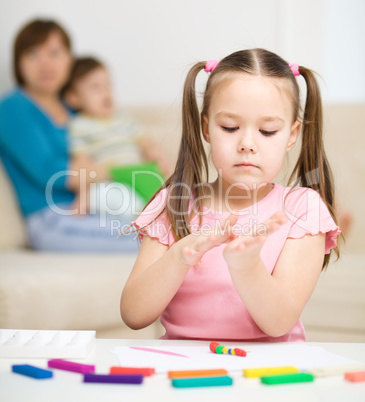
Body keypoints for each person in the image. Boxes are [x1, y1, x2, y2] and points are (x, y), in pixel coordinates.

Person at [120, 49, 341, 342]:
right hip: (182, 370)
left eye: (267, 130)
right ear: (206, 127)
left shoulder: (303, 210)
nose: (247, 143)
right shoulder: (173, 204)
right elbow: (134, 316)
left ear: (291, 135)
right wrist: (180, 255)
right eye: (230, 127)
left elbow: (278, 323)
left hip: (269, 374)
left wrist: (247, 266)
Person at [0, 19, 138, 252]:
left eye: (54, 53)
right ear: (19, 63)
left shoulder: (75, 109)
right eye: (32, 54)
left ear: (69, 60)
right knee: (153, 241)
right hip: (51, 219)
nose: (45, 63)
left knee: (165, 231)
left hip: (95, 209)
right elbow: (53, 172)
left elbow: (119, 136)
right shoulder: (13, 108)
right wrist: (124, 167)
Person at [63, 56, 171, 215]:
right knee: (101, 195)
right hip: (111, 181)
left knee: (169, 193)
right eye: (96, 87)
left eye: (108, 86)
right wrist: (82, 198)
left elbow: (145, 142)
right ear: (74, 98)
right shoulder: (79, 126)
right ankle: (144, 217)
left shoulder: (123, 119)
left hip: (136, 175)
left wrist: (155, 153)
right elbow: (82, 164)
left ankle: (159, 213)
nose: (106, 93)